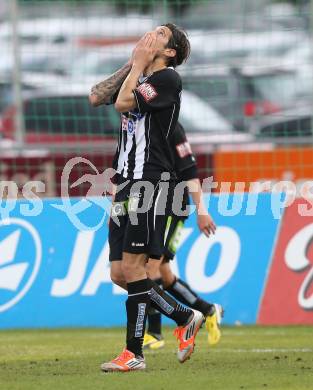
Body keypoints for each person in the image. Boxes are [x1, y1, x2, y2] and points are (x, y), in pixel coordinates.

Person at [89, 24, 216, 373]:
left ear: (171, 52)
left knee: (135, 268)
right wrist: (135, 62)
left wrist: (140, 65)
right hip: (124, 181)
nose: (151, 34)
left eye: (161, 34)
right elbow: (96, 96)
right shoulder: (142, 73)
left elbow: (122, 103)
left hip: (151, 181)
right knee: (120, 273)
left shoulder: (168, 80)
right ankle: (184, 316)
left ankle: (134, 354)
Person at [143, 122, 223, 351]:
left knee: (150, 268)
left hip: (174, 210)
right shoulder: (142, 126)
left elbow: (191, 172)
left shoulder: (172, 130)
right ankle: (208, 310)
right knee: (165, 275)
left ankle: (155, 333)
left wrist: (201, 210)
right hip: (154, 207)